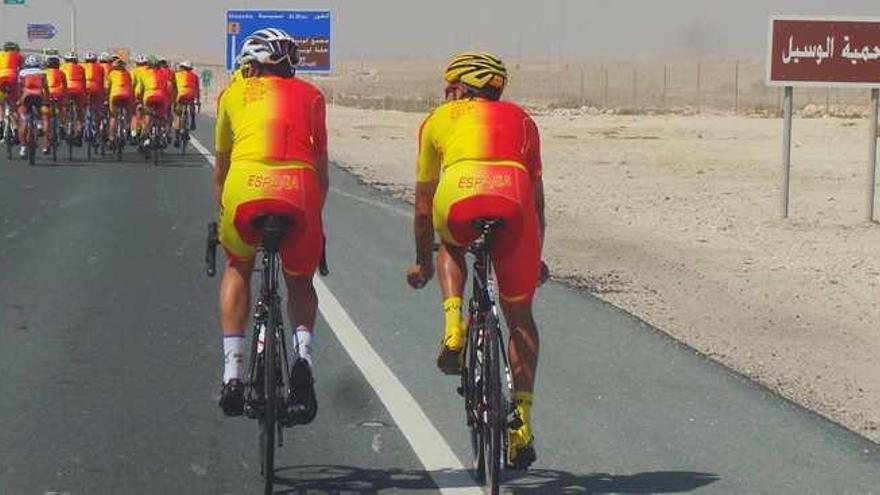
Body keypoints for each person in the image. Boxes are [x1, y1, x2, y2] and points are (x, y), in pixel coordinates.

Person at [406, 52, 548, 469]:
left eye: (449, 86)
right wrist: (535, 255)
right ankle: (521, 426)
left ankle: (453, 328)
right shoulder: (523, 120)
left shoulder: (437, 119)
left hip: (459, 199)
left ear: (459, 88)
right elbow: (538, 205)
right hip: (514, 202)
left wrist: (422, 261)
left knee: (451, 246)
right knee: (519, 318)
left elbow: (421, 205)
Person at [214, 28, 327, 425]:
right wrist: (316, 222)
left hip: (244, 190)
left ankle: (232, 374)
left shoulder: (230, 95)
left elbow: (222, 167)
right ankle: (304, 362)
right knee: (299, 280)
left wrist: (223, 214)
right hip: (298, 191)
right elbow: (321, 170)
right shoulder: (312, 96)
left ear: (250, 65)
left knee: (239, 267)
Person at [135, 57, 173, 151]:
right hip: (161, 98)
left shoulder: (144, 74)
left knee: (147, 118)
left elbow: (138, 90)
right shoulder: (164, 73)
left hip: (149, 98)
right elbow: (169, 88)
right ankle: (162, 134)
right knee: (162, 117)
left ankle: (145, 139)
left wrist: (138, 100)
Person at [16, 55, 49, 157]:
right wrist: (47, 99)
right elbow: (46, 88)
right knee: (43, 117)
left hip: (26, 97)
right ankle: (40, 126)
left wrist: (18, 100)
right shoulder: (42, 73)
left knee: (24, 120)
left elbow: (19, 88)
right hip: (39, 95)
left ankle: (23, 147)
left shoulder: (22, 73)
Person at [106, 58, 133, 148]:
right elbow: (131, 87)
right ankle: (128, 127)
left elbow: (107, 87)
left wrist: (106, 98)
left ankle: (111, 138)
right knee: (129, 112)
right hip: (126, 96)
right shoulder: (127, 74)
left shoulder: (112, 74)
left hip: (115, 96)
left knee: (113, 116)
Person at [60, 51, 86, 144]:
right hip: (79, 90)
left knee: (64, 108)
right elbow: (84, 82)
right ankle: (80, 130)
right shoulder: (81, 68)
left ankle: (62, 126)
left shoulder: (62, 67)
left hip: (66, 90)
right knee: (79, 111)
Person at [172, 60, 200, 147]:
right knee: (191, 102)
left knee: (178, 115)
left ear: (182, 67)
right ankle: (193, 120)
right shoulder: (195, 76)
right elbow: (197, 90)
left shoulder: (176, 75)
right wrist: (198, 101)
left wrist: (173, 101)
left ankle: (176, 137)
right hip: (191, 95)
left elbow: (173, 88)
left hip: (181, 95)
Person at [44, 54, 68, 153]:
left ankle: (46, 146)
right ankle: (62, 124)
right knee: (62, 108)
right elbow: (65, 86)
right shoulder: (61, 73)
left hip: (48, 94)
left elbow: (43, 86)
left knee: (46, 118)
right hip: (59, 94)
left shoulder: (44, 72)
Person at [0, 42, 24, 140]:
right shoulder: (19, 56)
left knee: (0, 104)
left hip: (1, 79)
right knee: (14, 106)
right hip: (13, 79)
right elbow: (23, 70)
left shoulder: (0, 55)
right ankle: (15, 129)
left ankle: (1, 121)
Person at [82, 52, 106, 132]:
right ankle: (97, 129)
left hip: (85, 89)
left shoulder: (82, 67)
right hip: (97, 89)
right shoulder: (100, 68)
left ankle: (85, 128)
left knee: (84, 107)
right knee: (97, 109)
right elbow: (102, 82)